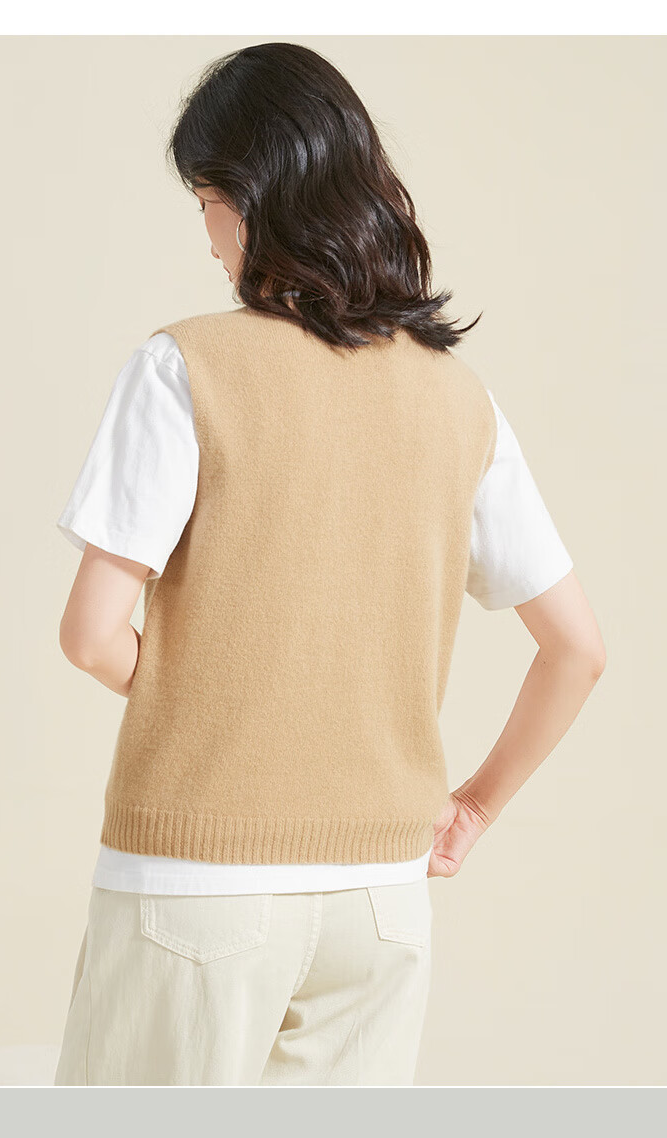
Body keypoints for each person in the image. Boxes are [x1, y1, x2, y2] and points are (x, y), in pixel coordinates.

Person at [52, 42, 605, 1087]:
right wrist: (474, 806)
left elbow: (90, 636)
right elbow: (577, 649)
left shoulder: (184, 369)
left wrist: (207, 692)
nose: (208, 236)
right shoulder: (460, 400)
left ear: (248, 200)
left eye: (206, 202)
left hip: (197, 887)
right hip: (382, 900)